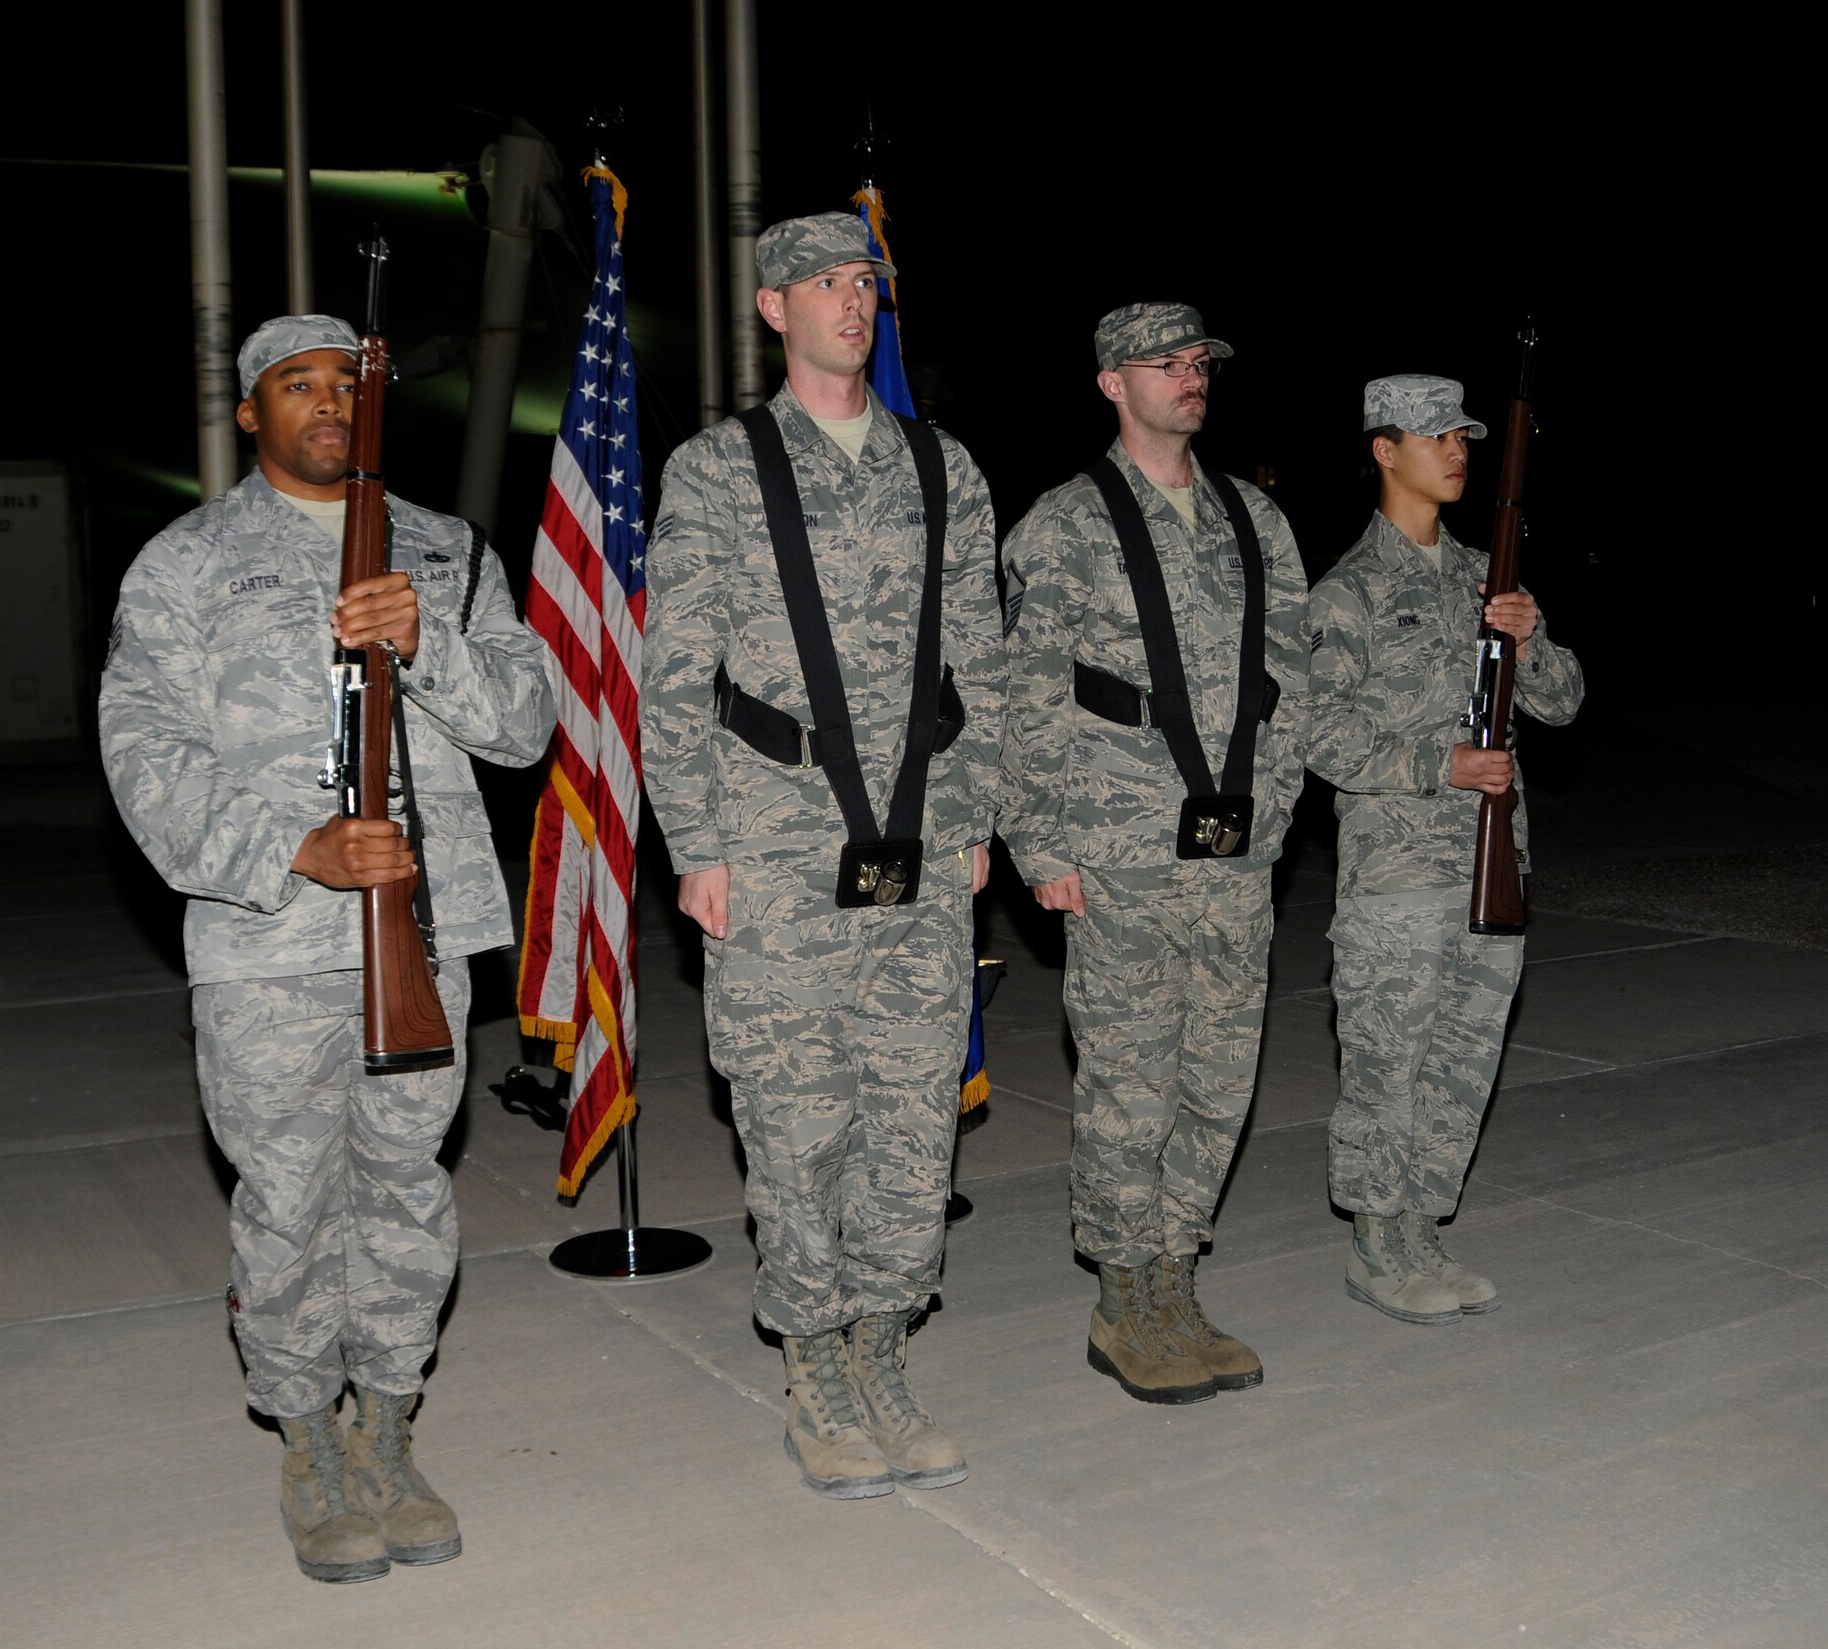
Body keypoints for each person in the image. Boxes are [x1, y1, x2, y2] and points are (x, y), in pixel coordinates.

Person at [98, 316, 553, 1581]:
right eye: (294, 386)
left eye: (343, 383)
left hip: (420, 926)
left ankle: (392, 1429)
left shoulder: (446, 551)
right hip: (266, 942)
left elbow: (524, 722)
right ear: (252, 412)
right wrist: (287, 849)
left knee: (406, 1184)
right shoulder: (185, 562)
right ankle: (308, 1436)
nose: (324, 404)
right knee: (289, 1196)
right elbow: (141, 751)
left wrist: (428, 640)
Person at [641, 213, 1004, 1498]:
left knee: (911, 1109)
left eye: (864, 281)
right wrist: (695, 844)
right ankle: (812, 1362)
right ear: (770, 308)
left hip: (916, 839)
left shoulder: (941, 464)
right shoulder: (716, 470)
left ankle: (883, 1347)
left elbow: (982, 662)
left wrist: (971, 819)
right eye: (823, 284)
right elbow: (675, 674)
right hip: (777, 843)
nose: (852, 302)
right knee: (795, 1115)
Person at [998, 304, 1309, 1405]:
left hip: (1231, 849)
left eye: (1198, 363)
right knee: (1129, 1076)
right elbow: (1022, 694)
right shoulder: (1062, 524)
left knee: (1218, 1072)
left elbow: (1291, 681)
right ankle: (1123, 1293)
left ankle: (1178, 1274)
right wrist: (1040, 843)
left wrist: (1271, 807)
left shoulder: (1253, 518)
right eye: (1164, 365)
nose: (1189, 378)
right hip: (1117, 843)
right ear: (1109, 383)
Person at [1308, 374, 1582, 1322]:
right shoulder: (1350, 591)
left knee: (1462, 1061)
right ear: (1385, 451)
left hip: (1489, 867)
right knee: (1388, 1065)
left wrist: (1529, 635)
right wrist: (1442, 764)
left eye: (1463, 435)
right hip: (1398, 873)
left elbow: (1563, 701)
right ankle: (1377, 1244)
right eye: (1435, 437)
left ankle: (1422, 1230)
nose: (1457, 452)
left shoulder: (1487, 576)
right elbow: (1320, 735)